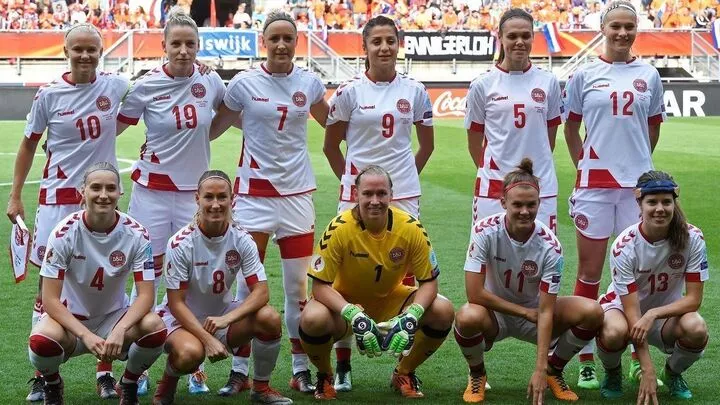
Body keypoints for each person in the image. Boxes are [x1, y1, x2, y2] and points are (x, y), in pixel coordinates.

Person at [5, 23, 130, 401]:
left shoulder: (115, 85)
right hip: (56, 201)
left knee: (108, 280)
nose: (85, 55)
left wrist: (203, 70)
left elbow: (161, 83)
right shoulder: (48, 95)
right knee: (47, 286)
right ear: (65, 52)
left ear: (101, 51)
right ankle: (45, 376)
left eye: (92, 49)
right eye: (78, 49)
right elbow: (28, 146)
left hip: (101, 200)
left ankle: (105, 371)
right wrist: (15, 196)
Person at [209, 9, 329, 396]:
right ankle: (240, 369)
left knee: (297, 290)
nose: (281, 44)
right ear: (263, 41)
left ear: (296, 42)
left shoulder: (309, 83)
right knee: (246, 289)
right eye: (273, 38)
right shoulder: (243, 84)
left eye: (287, 38)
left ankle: (299, 368)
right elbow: (212, 128)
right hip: (253, 199)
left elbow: (334, 123)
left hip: (296, 199)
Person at [116, 7, 226, 395]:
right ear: (163, 46)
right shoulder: (145, 85)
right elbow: (115, 126)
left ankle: (191, 357)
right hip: (151, 193)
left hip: (193, 196)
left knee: (193, 276)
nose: (183, 51)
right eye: (176, 44)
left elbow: (227, 111)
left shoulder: (210, 82)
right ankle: (137, 362)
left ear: (198, 47)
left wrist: (203, 139)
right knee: (147, 276)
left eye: (190, 44)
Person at [322, 15, 435, 390]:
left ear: (398, 44)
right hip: (356, 198)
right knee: (345, 280)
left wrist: (402, 182)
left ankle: (404, 368)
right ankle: (342, 365)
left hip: (403, 196)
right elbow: (330, 145)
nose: (384, 47)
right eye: (377, 41)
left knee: (403, 278)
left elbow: (426, 145)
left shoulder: (416, 90)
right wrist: (355, 188)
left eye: (390, 40)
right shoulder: (349, 91)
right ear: (365, 46)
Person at [563, 0, 666, 388]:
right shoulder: (583, 75)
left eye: (629, 26)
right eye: (615, 26)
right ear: (603, 30)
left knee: (636, 275)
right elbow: (571, 129)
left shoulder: (650, 75)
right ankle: (585, 357)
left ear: (635, 30)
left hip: (637, 188)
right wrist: (584, 166)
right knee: (589, 274)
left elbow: (652, 128)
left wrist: (638, 162)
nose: (622, 33)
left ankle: (639, 359)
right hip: (594, 186)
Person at [454, 158, 604, 404]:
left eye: (531, 205)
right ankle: (477, 373)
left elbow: (546, 309)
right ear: (503, 203)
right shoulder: (484, 231)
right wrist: (523, 312)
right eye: (518, 205)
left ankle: (554, 371)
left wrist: (540, 367)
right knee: (466, 316)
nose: (525, 211)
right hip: (495, 314)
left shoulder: (550, 246)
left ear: (539, 203)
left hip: (537, 313)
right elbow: (475, 294)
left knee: (593, 312)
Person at [299, 165, 455, 400]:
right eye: (368, 194)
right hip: (346, 307)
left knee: (443, 310)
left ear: (391, 195)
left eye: (381, 193)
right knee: (312, 319)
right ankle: (325, 375)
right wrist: (352, 313)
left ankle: (404, 372)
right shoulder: (338, 229)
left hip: (391, 302)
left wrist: (412, 314)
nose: (375, 201)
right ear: (355, 195)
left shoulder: (411, 227)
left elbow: (429, 282)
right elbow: (319, 287)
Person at [27, 162, 167, 405]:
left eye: (111, 188)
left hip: (113, 319)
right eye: (96, 188)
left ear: (120, 193)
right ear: (83, 191)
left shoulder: (137, 234)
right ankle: (53, 384)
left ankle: (129, 383)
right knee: (41, 341)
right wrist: (85, 335)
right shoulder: (63, 233)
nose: (103, 195)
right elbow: (49, 299)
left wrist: (120, 328)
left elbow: (146, 295)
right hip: (70, 323)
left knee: (155, 326)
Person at [152, 170, 292, 405]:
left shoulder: (242, 239)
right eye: (209, 197)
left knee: (269, 318)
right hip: (179, 321)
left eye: (221, 197)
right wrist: (208, 339)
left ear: (232, 199)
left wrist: (227, 320)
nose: (216, 204)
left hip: (220, 317)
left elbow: (262, 292)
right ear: (197, 198)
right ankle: (166, 387)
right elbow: (176, 303)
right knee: (190, 354)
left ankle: (260, 389)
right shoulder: (181, 243)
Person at [596, 171, 708, 402]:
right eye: (652, 202)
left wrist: (653, 314)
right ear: (639, 203)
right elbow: (633, 313)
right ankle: (613, 372)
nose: (660, 208)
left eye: (666, 202)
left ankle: (673, 373)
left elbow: (693, 300)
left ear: (674, 203)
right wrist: (647, 368)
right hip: (624, 311)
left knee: (696, 327)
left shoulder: (693, 237)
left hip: (664, 314)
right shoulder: (624, 246)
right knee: (614, 332)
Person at [465, 8, 562, 235]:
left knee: (540, 256)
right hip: (494, 186)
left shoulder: (548, 82)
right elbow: (474, 142)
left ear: (532, 38)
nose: (519, 42)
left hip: (541, 185)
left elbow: (549, 139)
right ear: (500, 38)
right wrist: (495, 170)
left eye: (525, 36)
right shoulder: (483, 84)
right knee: (488, 257)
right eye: (512, 36)